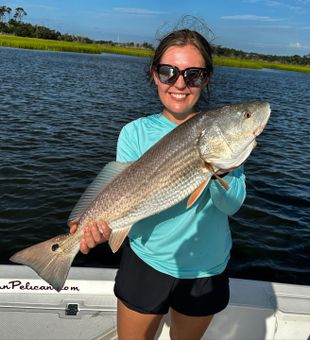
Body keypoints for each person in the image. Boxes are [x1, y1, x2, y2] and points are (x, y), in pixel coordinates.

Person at [70, 28, 246, 340]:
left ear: (206, 79)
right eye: (169, 72)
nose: (180, 83)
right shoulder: (134, 133)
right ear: (154, 75)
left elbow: (231, 205)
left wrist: (224, 170)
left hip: (205, 269)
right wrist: (93, 226)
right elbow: (121, 196)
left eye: (193, 75)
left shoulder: (221, 134)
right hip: (145, 262)